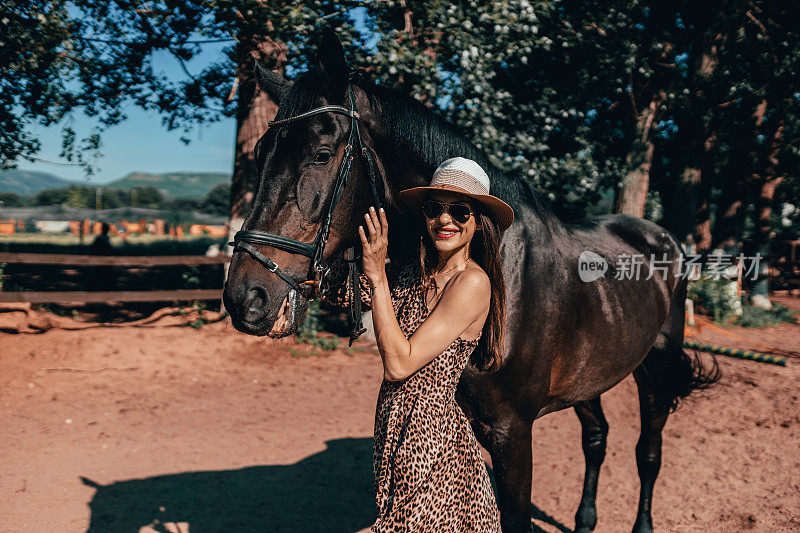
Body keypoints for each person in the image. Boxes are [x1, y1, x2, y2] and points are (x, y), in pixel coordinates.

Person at [358, 157, 514, 532]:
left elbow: (399, 364)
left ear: (478, 223)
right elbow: (356, 294)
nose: (445, 221)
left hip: (431, 436)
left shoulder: (473, 284)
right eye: (434, 209)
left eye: (460, 211)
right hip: (394, 424)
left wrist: (378, 276)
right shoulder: (417, 274)